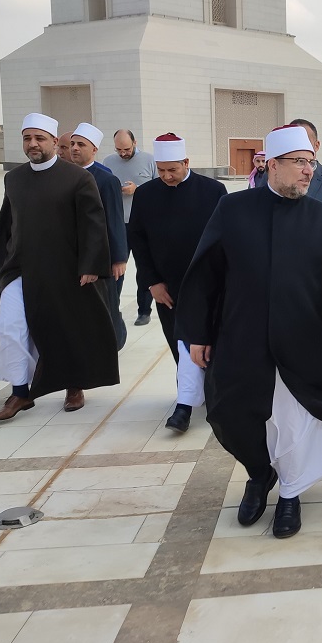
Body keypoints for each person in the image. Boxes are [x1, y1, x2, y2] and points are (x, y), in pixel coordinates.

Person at [177, 124, 322, 539]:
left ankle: (290, 492)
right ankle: (259, 474)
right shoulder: (233, 211)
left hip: (300, 341)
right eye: (299, 163)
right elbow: (204, 277)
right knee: (230, 416)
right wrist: (199, 335)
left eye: (311, 163)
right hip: (241, 339)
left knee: (292, 422)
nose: (309, 171)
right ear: (271, 165)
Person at [0, 113, 119, 419]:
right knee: (10, 327)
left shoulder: (78, 178)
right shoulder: (14, 178)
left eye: (39, 138)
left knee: (66, 329)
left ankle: (73, 385)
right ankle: (20, 393)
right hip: (20, 268)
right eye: (27, 138)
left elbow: (93, 225)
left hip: (65, 270)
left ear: (53, 141)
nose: (33, 144)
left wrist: (91, 264)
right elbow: (7, 223)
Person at [127, 133, 227, 433]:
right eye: (161, 170)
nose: (167, 176)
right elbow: (139, 241)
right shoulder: (145, 195)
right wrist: (152, 282)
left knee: (209, 342)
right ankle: (188, 401)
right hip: (168, 287)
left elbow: (226, 238)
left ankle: (195, 402)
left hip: (210, 285)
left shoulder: (213, 190)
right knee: (180, 342)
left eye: (173, 169)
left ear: (186, 162)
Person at [68, 123, 128, 350]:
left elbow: (114, 219)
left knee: (106, 304)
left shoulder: (105, 179)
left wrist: (119, 258)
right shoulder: (64, 175)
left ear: (94, 150)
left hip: (100, 255)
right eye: (72, 143)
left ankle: (115, 341)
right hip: (70, 254)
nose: (74, 148)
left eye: (80, 144)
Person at [102, 129, 158, 326]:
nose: (123, 153)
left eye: (126, 149)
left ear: (134, 142)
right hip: (118, 224)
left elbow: (160, 189)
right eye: (119, 149)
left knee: (144, 269)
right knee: (116, 268)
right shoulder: (108, 162)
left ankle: (144, 310)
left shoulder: (150, 160)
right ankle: (111, 308)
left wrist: (138, 190)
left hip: (143, 224)